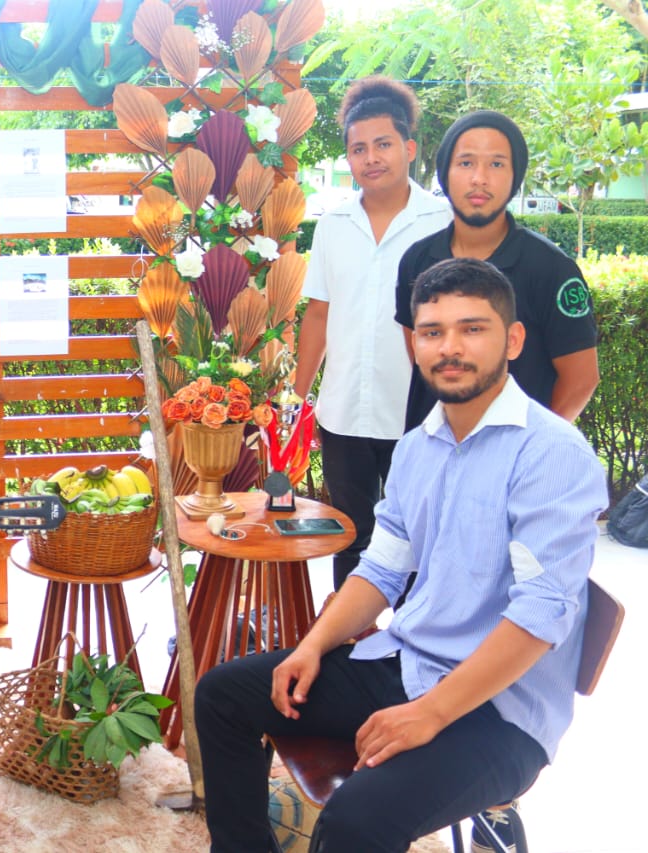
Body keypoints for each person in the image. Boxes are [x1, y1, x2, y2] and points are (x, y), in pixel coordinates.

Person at [195, 258, 606, 853]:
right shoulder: (418, 447)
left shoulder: (552, 454)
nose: (450, 347)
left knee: (356, 819)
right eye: (433, 332)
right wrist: (313, 646)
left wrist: (431, 713)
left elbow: (541, 614)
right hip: (409, 664)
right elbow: (382, 569)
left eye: (473, 329)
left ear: (513, 340)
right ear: (414, 344)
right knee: (224, 694)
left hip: (500, 711)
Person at [293, 77, 451, 590]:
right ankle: (350, 633)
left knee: (419, 540)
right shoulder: (333, 224)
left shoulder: (443, 223)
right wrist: (297, 397)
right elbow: (319, 314)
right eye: (358, 149)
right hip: (344, 413)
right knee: (350, 538)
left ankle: (411, 637)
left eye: (383, 144)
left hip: (419, 414)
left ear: (409, 148)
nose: (371, 157)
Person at [396, 110, 599, 431]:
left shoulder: (551, 268)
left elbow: (581, 378)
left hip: (518, 455)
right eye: (466, 163)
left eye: (496, 164)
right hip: (432, 446)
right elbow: (422, 357)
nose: (479, 178)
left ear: (515, 176)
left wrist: (533, 445)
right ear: (445, 172)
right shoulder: (416, 260)